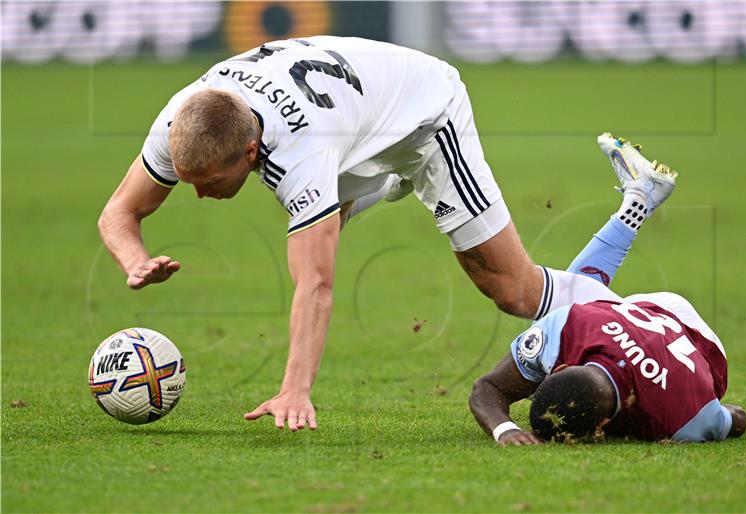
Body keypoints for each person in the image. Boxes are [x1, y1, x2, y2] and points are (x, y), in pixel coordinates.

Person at [97, 35, 676, 432]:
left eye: (210, 181)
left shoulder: (301, 151)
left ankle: (638, 204)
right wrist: (132, 260)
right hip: (350, 122)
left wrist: (295, 388)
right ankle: (372, 186)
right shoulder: (183, 120)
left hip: (424, 118)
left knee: (513, 292)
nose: (198, 193)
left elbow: (317, 285)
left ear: (250, 149)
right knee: (317, 217)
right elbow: (118, 214)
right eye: (189, 179)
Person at [468, 163, 746, 445]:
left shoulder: (688, 421)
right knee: (560, 301)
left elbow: (736, 417)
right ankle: (640, 200)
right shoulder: (563, 327)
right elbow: (487, 388)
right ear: (563, 368)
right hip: (645, 313)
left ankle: (641, 199)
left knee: (534, 297)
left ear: (601, 427)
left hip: (701, 341)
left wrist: (716, 409)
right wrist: (505, 429)